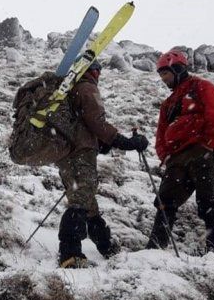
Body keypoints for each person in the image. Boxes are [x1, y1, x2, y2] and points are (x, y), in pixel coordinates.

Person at [57, 61, 149, 268]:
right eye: (97, 69)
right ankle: (70, 254)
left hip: (67, 153)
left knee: (87, 201)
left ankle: (106, 246)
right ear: (91, 71)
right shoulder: (86, 87)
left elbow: (81, 125)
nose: (99, 74)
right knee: (81, 200)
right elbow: (96, 122)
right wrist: (124, 142)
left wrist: (103, 143)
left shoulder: (69, 89)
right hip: (80, 153)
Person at [147, 50, 214, 254]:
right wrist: (166, 156)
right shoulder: (168, 103)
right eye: (161, 75)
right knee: (164, 201)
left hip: (202, 152)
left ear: (178, 69)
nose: (163, 79)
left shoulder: (202, 87)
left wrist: (208, 145)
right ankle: (155, 248)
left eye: (165, 73)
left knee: (207, 200)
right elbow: (161, 134)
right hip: (177, 158)